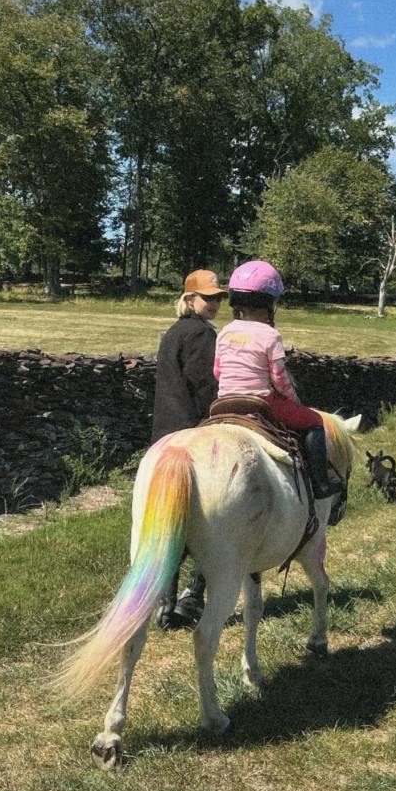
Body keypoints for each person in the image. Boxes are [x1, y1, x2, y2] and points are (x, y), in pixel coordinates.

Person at [214, 260, 343, 500]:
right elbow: (279, 378)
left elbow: (217, 372)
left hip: (224, 401)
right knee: (314, 421)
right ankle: (320, 484)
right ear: (269, 303)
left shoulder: (225, 331)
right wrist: (293, 400)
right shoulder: (271, 335)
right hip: (261, 402)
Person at [151, 268, 227, 630]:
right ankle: (192, 597)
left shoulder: (172, 333)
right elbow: (204, 388)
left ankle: (164, 603)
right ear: (189, 299)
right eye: (207, 297)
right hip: (194, 435)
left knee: (169, 525)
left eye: (217, 298)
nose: (213, 303)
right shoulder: (201, 334)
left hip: (164, 437)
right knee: (211, 521)